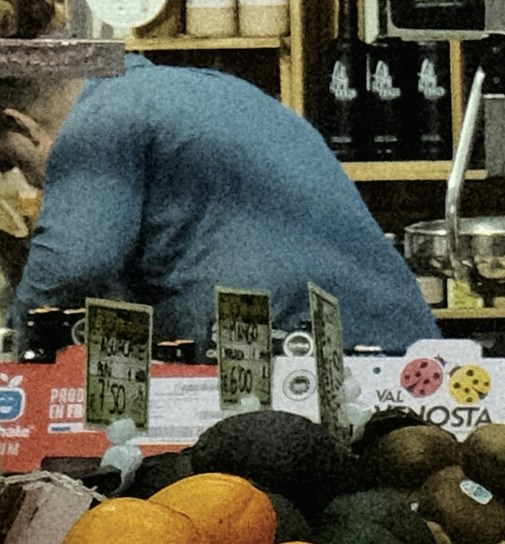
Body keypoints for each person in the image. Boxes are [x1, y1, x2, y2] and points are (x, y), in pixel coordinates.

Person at [6, 53, 431, 355]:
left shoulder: (98, 122)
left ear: (19, 124)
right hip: (403, 347)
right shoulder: (206, 88)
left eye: (14, 163)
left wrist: (14, 356)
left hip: (307, 358)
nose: (31, 182)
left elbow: (72, 266)